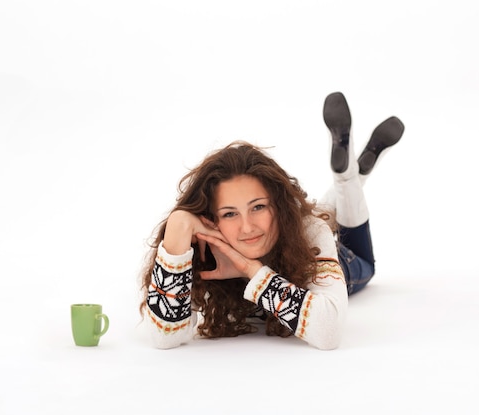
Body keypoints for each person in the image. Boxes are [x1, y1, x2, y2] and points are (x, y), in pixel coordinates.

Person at [139, 92, 404, 350]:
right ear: (210, 219)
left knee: (363, 262)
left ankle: (347, 178)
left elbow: (329, 331)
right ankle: (350, 173)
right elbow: (164, 339)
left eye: (258, 207)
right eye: (230, 213)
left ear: (278, 206)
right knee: (318, 213)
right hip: (300, 228)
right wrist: (178, 226)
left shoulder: (311, 231)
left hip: (339, 257)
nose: (247, 227)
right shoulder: (201, 249)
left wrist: (250, 269)